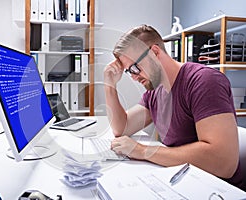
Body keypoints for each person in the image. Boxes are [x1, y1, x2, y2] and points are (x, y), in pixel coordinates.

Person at [104, 24, 245, 190]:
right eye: (129, 72)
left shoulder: (204, 82)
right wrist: (109, 85)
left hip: (217, 189)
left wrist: (142, 151)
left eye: (135, 68)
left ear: (155, 52)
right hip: (182, 181)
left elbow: (224, 163)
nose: (134, 78)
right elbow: (122, 128)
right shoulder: (155, 91)